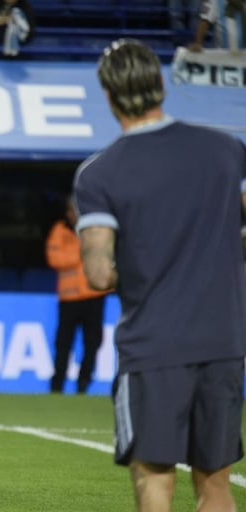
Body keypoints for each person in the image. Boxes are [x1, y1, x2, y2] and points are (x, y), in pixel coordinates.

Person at [74, 39, 246, 511]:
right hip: (224, 341)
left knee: (155, 481)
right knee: (216, 486)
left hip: (155, 344)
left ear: (108, 95)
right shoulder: (226, 150)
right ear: (162, 85)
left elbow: (99, 274)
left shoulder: (100, 175)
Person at [45, 196, 108, 395]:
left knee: (92, 343)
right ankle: (57, 386)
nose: (74, 215)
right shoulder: (60, 231)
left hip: (94, 293)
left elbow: (108, 254)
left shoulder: (97, 229)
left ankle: (83, 384)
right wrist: (84, 252)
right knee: (63, 343)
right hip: (70, 298)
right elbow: (55, 258)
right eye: (72, 211)